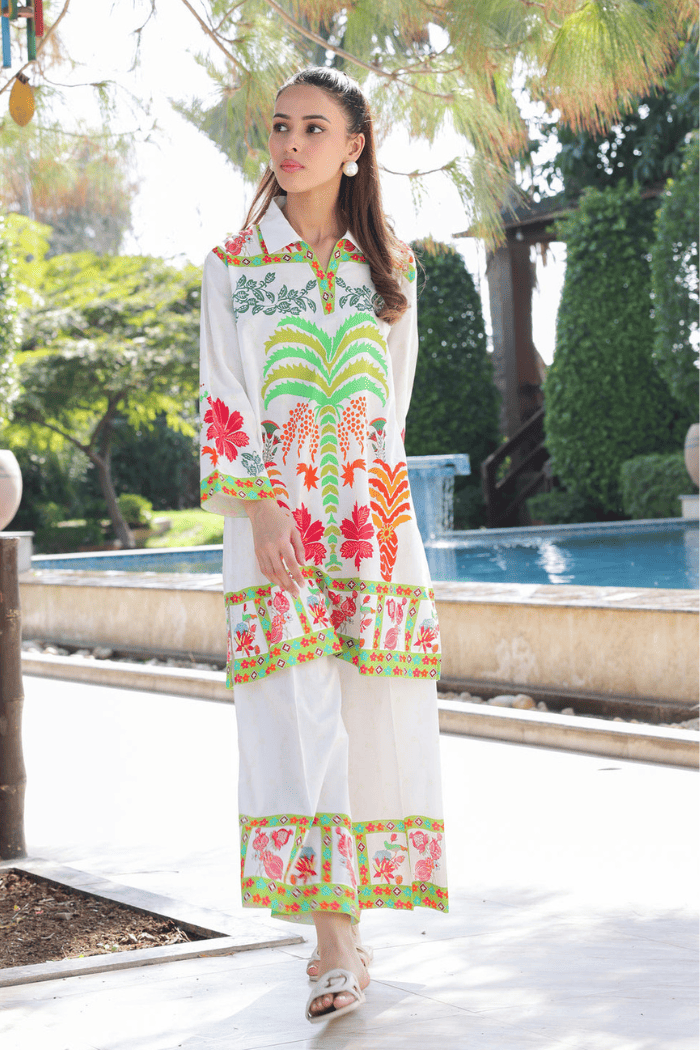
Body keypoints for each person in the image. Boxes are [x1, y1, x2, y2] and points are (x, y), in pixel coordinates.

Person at [199, 65, 448, 1024]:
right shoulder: (233, 264)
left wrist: (375, 513)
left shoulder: (391, 267)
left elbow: (393, 407)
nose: (290, 143)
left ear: (353, 147)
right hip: (271, 528)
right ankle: (332, 945)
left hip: (369, 526)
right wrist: (263, 509)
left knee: (367, 716)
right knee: (295, 720)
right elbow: (224, 395)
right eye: (279, 126)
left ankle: (350, 930)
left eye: (313, 128)